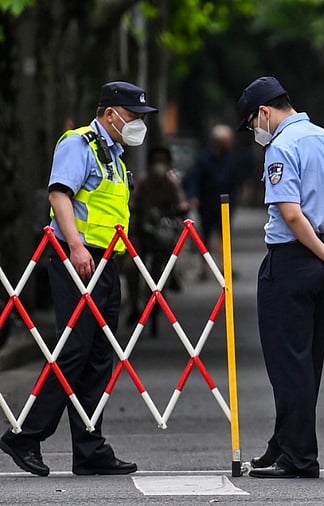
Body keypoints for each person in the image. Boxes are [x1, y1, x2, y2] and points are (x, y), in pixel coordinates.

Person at [0, 81, 156, 476]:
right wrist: (75, 245)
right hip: (79, 260)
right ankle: (26, 435)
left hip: (107, 263)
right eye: (134, 116)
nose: (138, 123)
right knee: (73, 350)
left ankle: (89, 448)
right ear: (110, 114)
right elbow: (59, 195)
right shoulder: (79, 144)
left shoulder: (116, 155)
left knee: (101, 355)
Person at [237, 76, 324, 479]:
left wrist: (322, 254)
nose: (255, 131)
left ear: (264, 112)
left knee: (288, 364)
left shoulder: (282, 146)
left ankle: (299, 457)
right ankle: (283, 443)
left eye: (253, 123)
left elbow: (289, 213)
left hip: (291, 258)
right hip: (323, 256)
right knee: (307, 361)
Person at [124, 145, 190, 332]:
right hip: (142, 230)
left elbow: (181, 201)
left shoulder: (172, 183)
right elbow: (134, 201)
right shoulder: (144, 182)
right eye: (156, 161)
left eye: (163, 161)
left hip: (163, 231)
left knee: (171, 254)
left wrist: (182, 208)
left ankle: (172, 278)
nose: (159, 165)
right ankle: (135, 303)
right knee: (131, 267)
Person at [184, 124, 241, 263]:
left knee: (224, 235)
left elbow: (235, 179)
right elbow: (194, 178)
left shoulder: (230, 159)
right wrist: (193, 196)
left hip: (227, 203)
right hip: (207, 202)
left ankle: (225, 266)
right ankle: (205, 266)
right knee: (205, 235)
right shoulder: (204, 159)